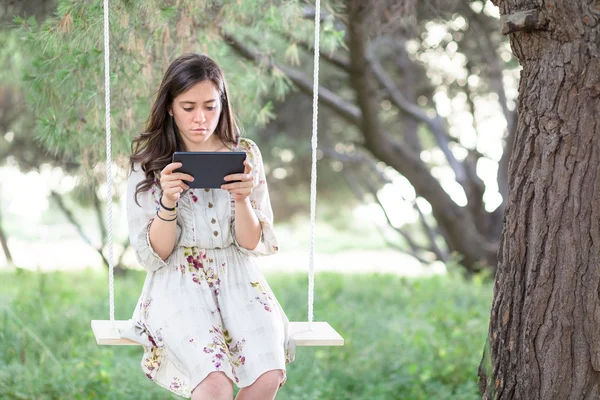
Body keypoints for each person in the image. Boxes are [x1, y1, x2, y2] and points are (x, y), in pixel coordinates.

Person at [121, 53, 296, 400]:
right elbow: (156, 254)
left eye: (210, 106)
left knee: (268, 375)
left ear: (223, 104)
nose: (200, 118)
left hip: (239, 277)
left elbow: (250, 243)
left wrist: (243, 199)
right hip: (178, 279)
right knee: (214, 384)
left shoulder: (244, 153)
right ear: (170, 107)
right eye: (188, 107)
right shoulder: (148, 164)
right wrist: (168, 201)